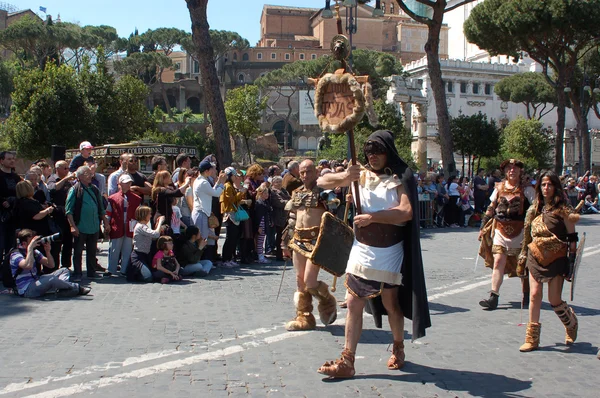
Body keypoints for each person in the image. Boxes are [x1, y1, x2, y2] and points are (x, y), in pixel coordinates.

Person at [316, 130, 430, 378]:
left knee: (390, 303)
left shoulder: (401, 176)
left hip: (389, 250)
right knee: (354, 301)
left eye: (377, 151)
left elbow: (406, 212)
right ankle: (348, 361)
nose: (372, 156)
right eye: (369, 151)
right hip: (362, 249)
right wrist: (346, 176)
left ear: (388, 151)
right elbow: (321, 182)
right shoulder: (360, 174)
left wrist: (373, 217)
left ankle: (398, 347)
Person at [518, 170, 580, 352]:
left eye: (550, 184)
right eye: (543, 185)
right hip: (535, 256)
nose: (546, 188)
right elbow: (527, 235)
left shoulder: (563, 210)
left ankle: (571, 323)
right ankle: (532, 338)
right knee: (535, 295)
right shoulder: (535, 209)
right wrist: (523, 256)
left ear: (555, 187)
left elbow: (572, 237)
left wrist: (571, 261)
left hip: (557, 258)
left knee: (554, 300)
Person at [284, 159, 337, 332]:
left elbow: (334, 213)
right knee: (300, 281)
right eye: (302, 172)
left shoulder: (323, 192)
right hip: (298, 240)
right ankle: (304, 317)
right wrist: (286, 241)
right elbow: (293, 217)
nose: (305, 175)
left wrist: (340, 200)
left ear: (315, 172)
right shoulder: (297, 192)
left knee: (310, 281)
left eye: (308, 171)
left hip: (316, 241)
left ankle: (327, 301)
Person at [478, 159, 535, 310]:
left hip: (521, 230)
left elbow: (535, 209)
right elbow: (491, 207)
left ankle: (526, 293)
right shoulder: (499, 187)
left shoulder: (527, 189)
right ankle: (493, 296)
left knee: (522, 265)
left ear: (520, 171)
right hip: (500, 229)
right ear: (505, 171)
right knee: (498, 262)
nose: (512, 171)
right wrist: (483, 224)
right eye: (509, 168)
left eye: (515, 168)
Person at [9, 229, 91, 298]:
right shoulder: (15, 254)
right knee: (51, 279)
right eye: (31, 242)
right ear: (24, 243)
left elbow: (51, 265)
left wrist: (47, 251)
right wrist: (30, 248)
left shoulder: (34, 252)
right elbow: (28, 266)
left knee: (64, 270)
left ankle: (62, 290)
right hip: (26, 289)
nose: (34, 243)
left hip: (36, 281)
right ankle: (77, 288)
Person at [65, 166, 109, 282]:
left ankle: (91, 271)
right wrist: (72, 226)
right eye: (87, 174)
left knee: (92, 251)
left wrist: (105, 222)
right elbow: (69, 211)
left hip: (94, 226)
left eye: (90, 173)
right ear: (79, 177)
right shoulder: (74, 190)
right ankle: (78, 273)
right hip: (80, 226)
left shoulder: (94, 189)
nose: (90, 176)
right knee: (78, 252)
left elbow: (101, 208)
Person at [106, 174, 142, 276]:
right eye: (126, 183)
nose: (128, 185)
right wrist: (106, 224)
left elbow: (139, 214)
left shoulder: (136, 198)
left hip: (131, 226)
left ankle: (124, 269)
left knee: (127, 249)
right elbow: (109, 212)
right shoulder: (113, 198)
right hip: (117, 226)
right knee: (114, 248)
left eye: (129, 183)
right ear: (120, 184)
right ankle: (111, 269)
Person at [47, 161, 77, 269]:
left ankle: (66, 266)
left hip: (68, 214)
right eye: (65, 168)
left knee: (68, 242)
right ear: (57, 169)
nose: (67, 170)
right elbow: (52, 188)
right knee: (57, 243)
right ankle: (54, 267)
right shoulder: (53, 178)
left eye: (68, 168)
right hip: (57, 214)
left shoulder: (69, 181)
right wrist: (65, 179)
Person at [191, 160, 226, 248]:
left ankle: (205, 260)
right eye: (211, 169)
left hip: (200, 212)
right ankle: (202, 260)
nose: (213, 171)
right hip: (201, 213)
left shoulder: (199, 180)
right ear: (206, 171)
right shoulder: (203, 182)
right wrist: (222, 183)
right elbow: (216, 193)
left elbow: (211, 191)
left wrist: (218, 182)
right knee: (202, 239)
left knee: (204, 240)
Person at [220, 167, 247, 268]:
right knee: (230, 238)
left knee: (234, 238)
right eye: (234, 175)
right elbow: (231, 199)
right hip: (229, 214)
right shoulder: (227, 186)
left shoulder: (230, 186)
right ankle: (225, 259)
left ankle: (229, 258)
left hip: (233, 213)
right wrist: (241, 192)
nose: (236, 177)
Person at [129, 206, 165, 282]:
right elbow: (155, 234)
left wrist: (158, 227)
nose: (151, 216)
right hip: (138, 256)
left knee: (158, 273)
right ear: (144, 215)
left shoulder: (145, 226)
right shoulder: (140, 227)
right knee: (148, 277)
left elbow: (153, 237)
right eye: (149, 214)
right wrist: (160, 222)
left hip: (146, 255)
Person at [151, 170, 191, 234]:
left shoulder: (165, 189)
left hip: (167, 216)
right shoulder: (161, 190)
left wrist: (185, 185)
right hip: (161, 217)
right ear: (163, 179)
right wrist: (186, 183)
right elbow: (176, 193)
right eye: (168, 177)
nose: (170, 178)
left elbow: (179, 194)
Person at [14, 181, 53, 245]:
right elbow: (36, 216)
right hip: (33, 234)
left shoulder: (23, 202)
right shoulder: (26, 203)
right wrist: (48, 210)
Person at [0, 151, 21, 258]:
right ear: (2, 161)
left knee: (11, 247)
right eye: (9, 159)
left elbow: (21, 194)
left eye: (13, 158)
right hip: (2, 215)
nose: (12, 160)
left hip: (13, 215)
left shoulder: (16, 177)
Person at [270, 176, 290, 261]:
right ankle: (279, 255)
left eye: (280, 181)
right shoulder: (272, 192)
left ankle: (285, 253)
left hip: (286, 216)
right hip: (278, 216)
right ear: (273, 183)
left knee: (286, 236)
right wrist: (290, 202)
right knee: (279, 236)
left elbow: (290, 198)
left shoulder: (284, 190)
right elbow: (279, 203)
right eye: (277, 182)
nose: (279, 183)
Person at [254, 183, 272, 264]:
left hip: (265, 222)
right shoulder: (259, 203)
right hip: (261, 223)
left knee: (262, 240)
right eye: (265, 193)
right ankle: (260, 256)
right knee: (260, 241)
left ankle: (261, 255)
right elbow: (258, 216)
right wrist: (258, 226)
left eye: (267, 193)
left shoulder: (265, 202)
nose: (267, 195)